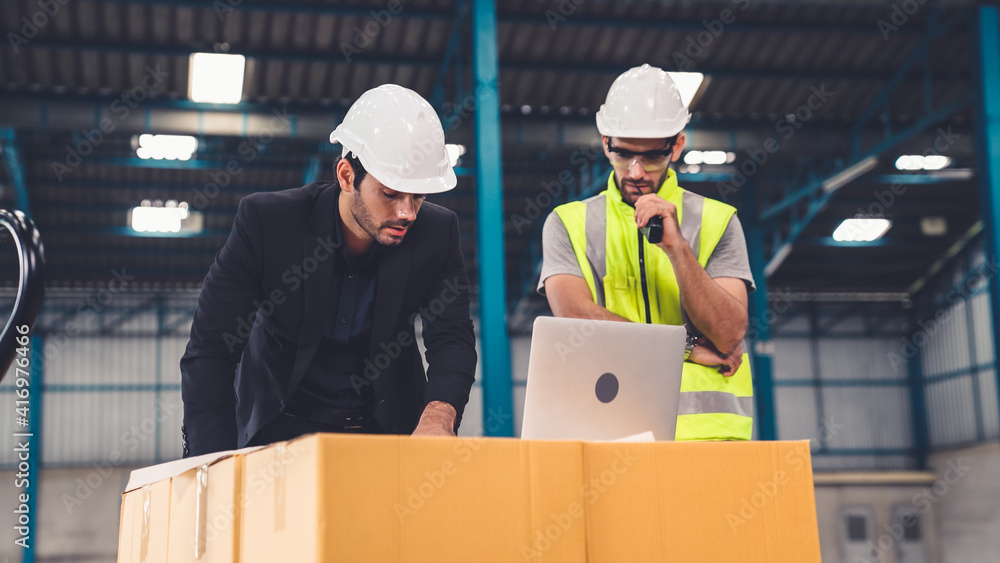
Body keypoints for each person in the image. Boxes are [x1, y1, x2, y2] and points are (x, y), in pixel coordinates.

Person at [180, 84, 477, 457]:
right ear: (347, 175)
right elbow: (211, 348)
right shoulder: (268, 224)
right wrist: (211, 462)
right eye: (391, 194)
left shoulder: (437, 234)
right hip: (277, 433)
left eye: (418, 195)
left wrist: (437, 419)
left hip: (386, 433)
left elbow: (452, 338)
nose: (408, 213)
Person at [539, 64, 755, 441]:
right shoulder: (567, 223)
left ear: (677, 145)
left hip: (708, 438)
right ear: (606, 142)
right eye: (623, 153)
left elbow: (729, 335)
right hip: (607, 427)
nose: (636, 171)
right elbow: (576, 318)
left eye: (652, 156)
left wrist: (678, 249)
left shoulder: (719, 221)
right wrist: (684, 349)